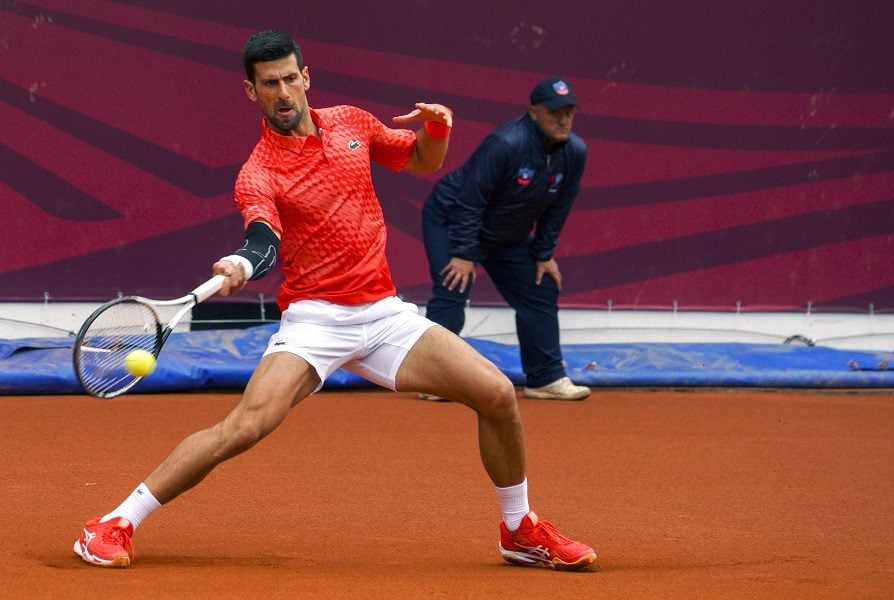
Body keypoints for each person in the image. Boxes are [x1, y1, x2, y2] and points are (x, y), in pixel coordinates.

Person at [73, 30, 595, 571]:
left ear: (306, 78)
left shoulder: (352, 122)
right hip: (315, 322)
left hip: (384, 314)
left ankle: (518, 530)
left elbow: (422, 160)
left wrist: (438, 128)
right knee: (245, 427)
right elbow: (262, 238)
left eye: (289, 79)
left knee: (498, 394)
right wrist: (242, 263)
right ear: (251, 91)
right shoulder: (258, 172)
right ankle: (114, 523)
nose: (282, 93)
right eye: (269, 84)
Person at [419, 77, 591, 402]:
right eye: (555, 112)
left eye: (569, 113)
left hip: (505, 233)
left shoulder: (575, 152)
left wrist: (543, 253)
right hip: (453, 218)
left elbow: (558, 207)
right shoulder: (506, 143)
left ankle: (545, 379)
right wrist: (464, 253)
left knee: (540, 288)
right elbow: (470, 200)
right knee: (452, 287)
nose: (563, 120)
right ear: (534, 113)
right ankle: (433, 380)